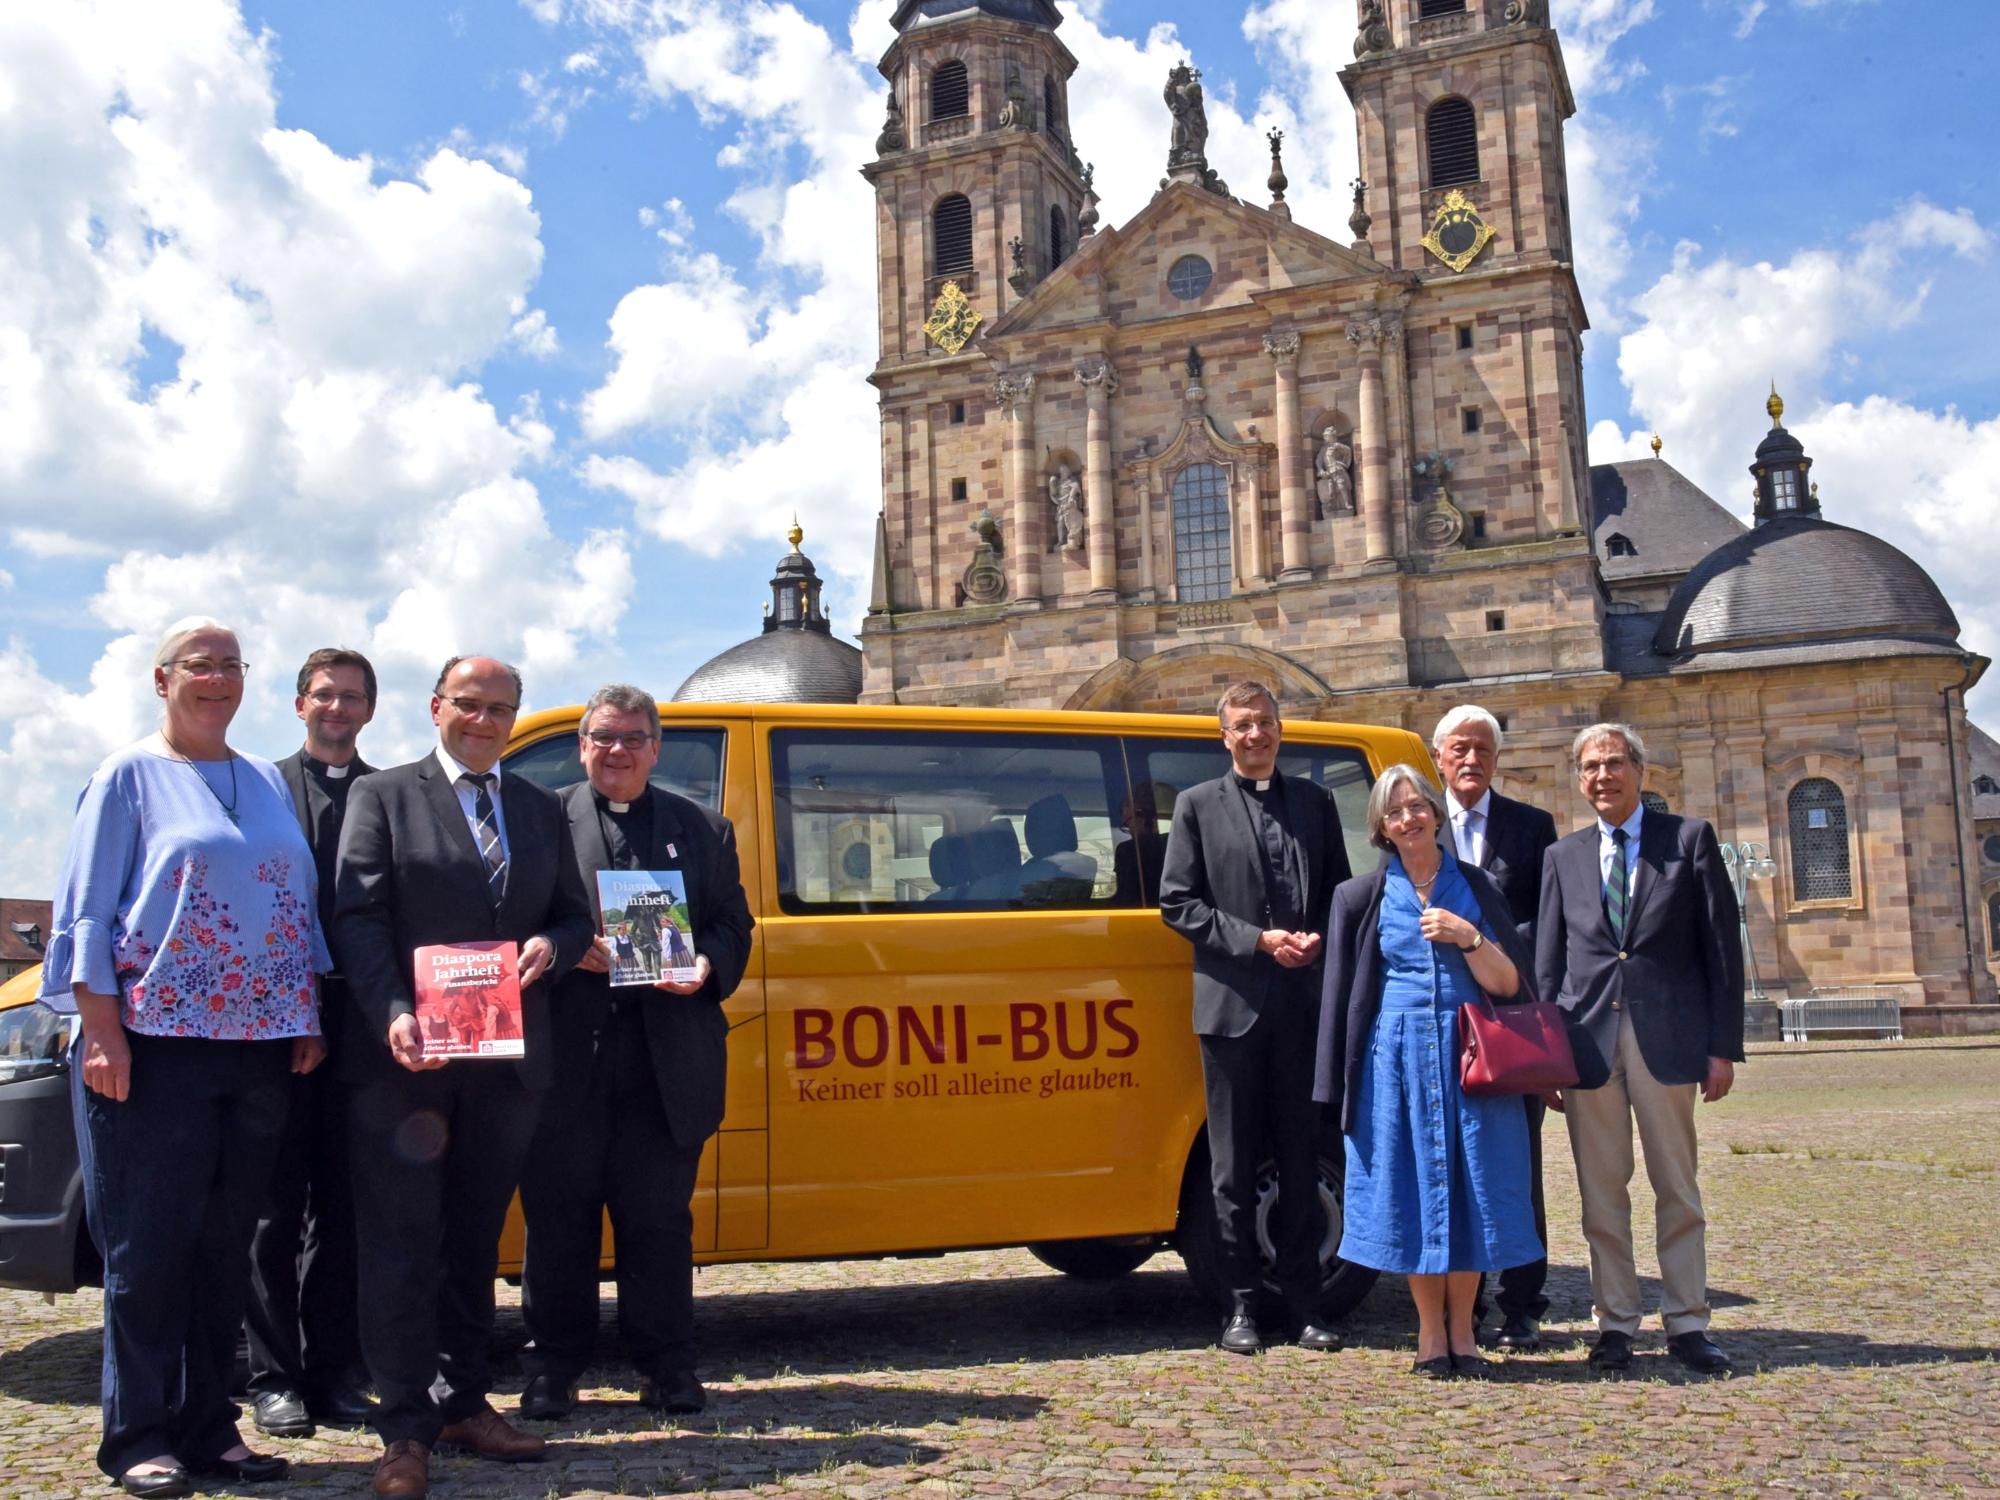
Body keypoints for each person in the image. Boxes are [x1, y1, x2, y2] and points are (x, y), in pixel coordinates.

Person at [42, 617, 328, 1498]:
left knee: (221, 1251)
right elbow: (87, 910)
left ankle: (212, 1427)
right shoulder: (128, 777)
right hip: (154, 1048)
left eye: (231, 665)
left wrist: (306, 1013)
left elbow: (294, 907)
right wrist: (101, 1029)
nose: (217, 679)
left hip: (259, 1051)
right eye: (199, 665)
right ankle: (137, 1437)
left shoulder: (261, 782)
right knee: (147, 1252)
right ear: (162, 680)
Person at [332, 656, 595, 1499]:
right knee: (402, 1243)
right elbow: (356, 916)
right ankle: (403, 1429)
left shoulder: (539, 806)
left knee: (475, 1240)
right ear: (437, 706)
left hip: (507, 1063)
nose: (484, 721)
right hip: (408, 1065)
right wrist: (390, 1011)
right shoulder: (384, 796)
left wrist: (553, 946)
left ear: (514, 721)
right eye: (469, 705)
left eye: (500, 710)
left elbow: (570, 910)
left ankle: (464, 1403)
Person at [518, 685, 755, 1421]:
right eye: (601, 737)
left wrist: (707, 967)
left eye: (631, 739)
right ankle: (555, 1367)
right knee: (559, 1223)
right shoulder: (540, 821)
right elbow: (514, 922)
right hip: (566, 1064)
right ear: (581, 745)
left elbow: (732, 926)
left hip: (663, 1062)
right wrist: (563, 952)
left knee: (657, 1223)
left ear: (655, 748)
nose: (615, 751)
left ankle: (668, 1365)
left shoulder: (702, 827)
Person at [1312, 764, 1542, 1379]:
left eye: (1417, 806)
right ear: (1382, 828)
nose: (1409, 818)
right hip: (1395, 1063)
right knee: (1411, 1191)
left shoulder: (1477, 886)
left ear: (1437, 816)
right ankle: (1429, 1332)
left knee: (1473, 1191)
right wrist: (1335, 1084)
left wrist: (1468, 937)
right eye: (1395, 811)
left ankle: (1464, 1330)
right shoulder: (1359, 897)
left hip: (1470, 1058)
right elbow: (1342, 998)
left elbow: (1511, 983)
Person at [1537, 722, 1744, 1375]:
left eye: (1614, 763)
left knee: (1677, 1187)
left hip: (1669, 1038)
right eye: (1591, 766)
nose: (1603, 776)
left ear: (1639, 770)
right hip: (1587, 1043)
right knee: (1602, 1194)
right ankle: (1617, 1324)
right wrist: (1546, 1056)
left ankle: (1686, 1321)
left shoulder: (1687, 841)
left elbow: (1721, 951)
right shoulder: (1561, 857)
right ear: (1579, 778)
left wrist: (1722, 1047)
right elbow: (1548, 965)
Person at [1159, 681, 1351, 1354]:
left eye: (1265, 724)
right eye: (1243, 726)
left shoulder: (1317, 802)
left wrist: (1319, 938)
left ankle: (1305, 1308)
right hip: (1232, 1010)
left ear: (1279, 729)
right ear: (1224, 736)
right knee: (1232, 1168)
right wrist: (1259, 942)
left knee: (1301, 1161)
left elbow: (1340, 896)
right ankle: (1239, 1307)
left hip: (1303, 1009)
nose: (1255, 735)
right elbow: (1177, 903)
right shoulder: (1195, 807)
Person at [244, 648, 379, 1439]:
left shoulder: (390, 793)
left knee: (345, 1209)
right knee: (271, 1208)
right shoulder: (260, 791)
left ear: (369, 710)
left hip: (360, 1029)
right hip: (275, 1027)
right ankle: (272, 1378)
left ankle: (334, 1371)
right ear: (299, 704)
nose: (336, 708)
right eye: (323, 695)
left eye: (351, 697)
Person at [1431, 705, 1558, 1351]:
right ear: (1439, 759)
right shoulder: (1419, 829)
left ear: (1497, 758)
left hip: (1511, 1023)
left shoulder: (1532, 827)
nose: (1471, 759)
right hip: (1442, 1022)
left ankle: (1524, 1300)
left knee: (1519, 1164)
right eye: (1459, 748)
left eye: (1482, 748)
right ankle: (1466, 1305)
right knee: (1454, 1161)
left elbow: (1548, 928)